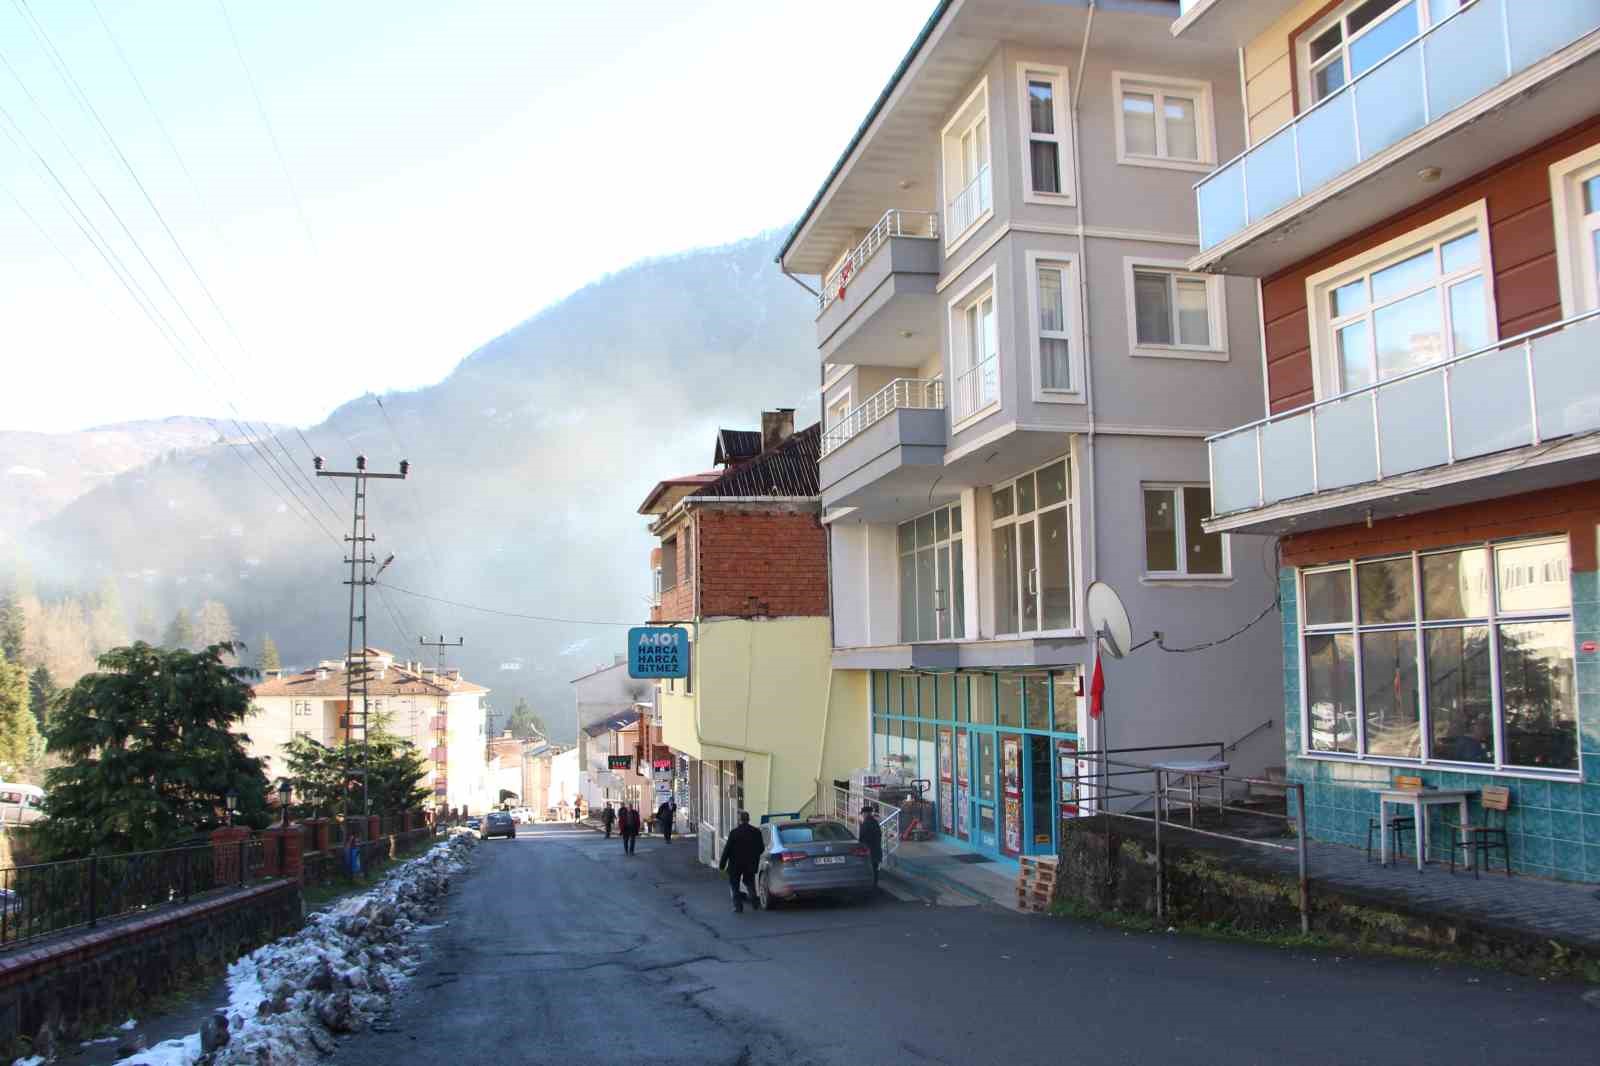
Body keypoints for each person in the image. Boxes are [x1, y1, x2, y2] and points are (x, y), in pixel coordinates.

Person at [719, 810, 764, 913]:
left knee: (734, 885)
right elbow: (761, 848)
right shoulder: (756, 832)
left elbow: (727, 849)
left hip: (735, 864)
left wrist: (722, 864)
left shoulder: (734, 833)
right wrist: (754, 856)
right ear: (748, 820)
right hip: (750, 863)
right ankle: (754, 900)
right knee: (749, 882)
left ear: (739, 820)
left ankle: (738, 907)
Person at [859, 805, 883, 888]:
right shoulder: (875, 822)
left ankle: (872, 886)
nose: (862, 815)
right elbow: (879, 835)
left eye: (863, 814)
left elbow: (862, 837)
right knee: (875, 868)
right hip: (876, 850)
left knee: (871, 868)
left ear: (866, 813)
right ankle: (874, 884)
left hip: (869, 850)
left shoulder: (866, 823)